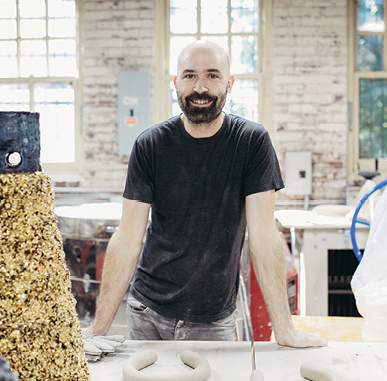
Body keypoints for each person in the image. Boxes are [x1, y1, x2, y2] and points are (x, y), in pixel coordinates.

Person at [82, 40, 326, 348]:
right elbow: (128, 237)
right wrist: (98, 328)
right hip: (148, 314)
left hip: (212, 321)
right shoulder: (151, 146)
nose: (200, 87)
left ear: (229, 82)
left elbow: (264, 237)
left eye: (212, 75)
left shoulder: (251, 143)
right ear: (176, 83)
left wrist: (285, 330)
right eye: (189, 76)